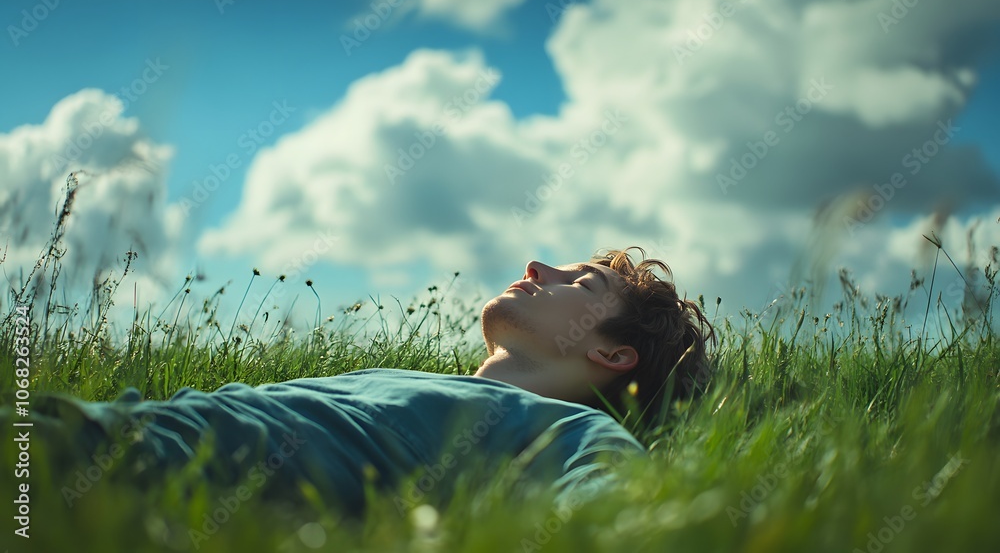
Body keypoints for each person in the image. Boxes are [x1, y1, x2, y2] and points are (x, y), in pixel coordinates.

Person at [8, 246, 713, 518]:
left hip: (139, 469)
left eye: (579, 281)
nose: (537, 266)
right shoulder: (397, 376)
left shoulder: (571, 430)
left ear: (616, 356)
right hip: (104, 423)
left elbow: (612, 514)